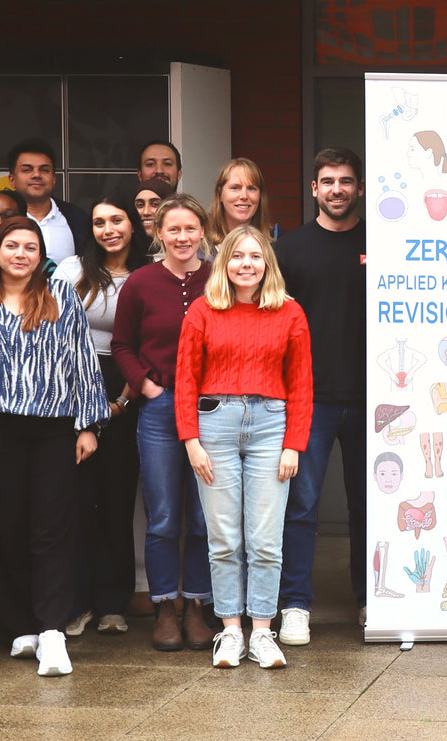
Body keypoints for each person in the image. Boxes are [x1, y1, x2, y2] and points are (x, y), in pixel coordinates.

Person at [0, 217, 107, 677]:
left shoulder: (60, 295)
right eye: (12, 246)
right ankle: (20, 624)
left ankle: (52, 629)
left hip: (54, 428)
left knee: (51, 528)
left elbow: (83, 359)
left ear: (41, 255)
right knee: (5, 526)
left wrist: (88, 425)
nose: (20, 254)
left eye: (30, 247)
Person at [177, 225, 313, 670]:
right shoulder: (203, 311)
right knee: (223, 539)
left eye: (255, 256)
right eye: (237, 256)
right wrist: (191, 440)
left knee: (266, 540)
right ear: (224, 262)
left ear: (267, 264)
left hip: (272, 426)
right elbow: (185, 379)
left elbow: (301, 384)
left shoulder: (290, 312)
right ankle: (231, 631)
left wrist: (294, 445)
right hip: (214, 425)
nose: (246, 264)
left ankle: (262, 632)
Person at [111, 194, 216, 651]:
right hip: (160, 407)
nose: (182, 237)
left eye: (190, 228)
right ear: (158, 232)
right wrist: (145, 385)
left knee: (203, 515)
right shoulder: (141, 282)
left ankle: (196, 605)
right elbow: (121, 344)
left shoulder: (217, 277)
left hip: (211, 409)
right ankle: (165, 607)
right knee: (163, 516)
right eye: (173, 229)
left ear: (203, 232)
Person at [273, 148, 370, 638]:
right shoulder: (289, 250)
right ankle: (295, 604)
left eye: (346, 181)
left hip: (376, 398)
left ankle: (370, 597)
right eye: (328, 181)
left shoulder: (381, 243)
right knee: (301, 505)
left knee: (369, 505)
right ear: (314, 189)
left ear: (359, 189)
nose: (337, 189)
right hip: (309, 398)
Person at [54, 199, 152, 636]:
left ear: (132, 225)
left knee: (117, 498)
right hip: (73, 386)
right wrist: (84, 406)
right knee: (76, 501)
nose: (108, 229)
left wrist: (122, 402)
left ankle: (113, 603)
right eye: (99, 222)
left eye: (117, 220)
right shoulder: (72, 270)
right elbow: (53, 338)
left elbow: (149, 343)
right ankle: (77, 604)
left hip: (128, 386)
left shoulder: (148, 273)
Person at [206, 158, 275, 244]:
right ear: (220, 194)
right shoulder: (201, 240)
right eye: (235, 188)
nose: (244, 196)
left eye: (251, 188)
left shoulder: (277, 241)